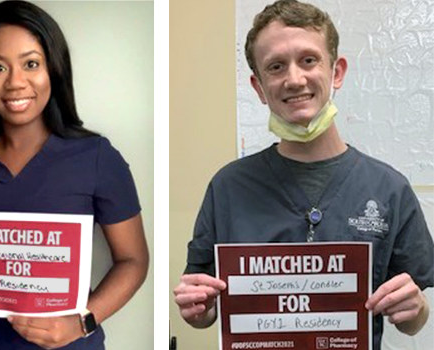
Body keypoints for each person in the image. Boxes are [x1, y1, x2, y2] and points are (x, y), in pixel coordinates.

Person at [173, 1, 434, 349]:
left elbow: (414, 322)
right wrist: (198, 310)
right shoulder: (228, 188)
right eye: (276, 66)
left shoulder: (389, 189)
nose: (294, 79)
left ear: (336, 71)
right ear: (259, 88)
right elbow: (205, 307)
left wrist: (413, 309)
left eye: (308, 60)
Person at [0, 1, 149, 349]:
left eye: (31, 64)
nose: (15, 82)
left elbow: (133, 261)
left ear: (53, 69)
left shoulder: (97, 157)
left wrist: (81, 322)